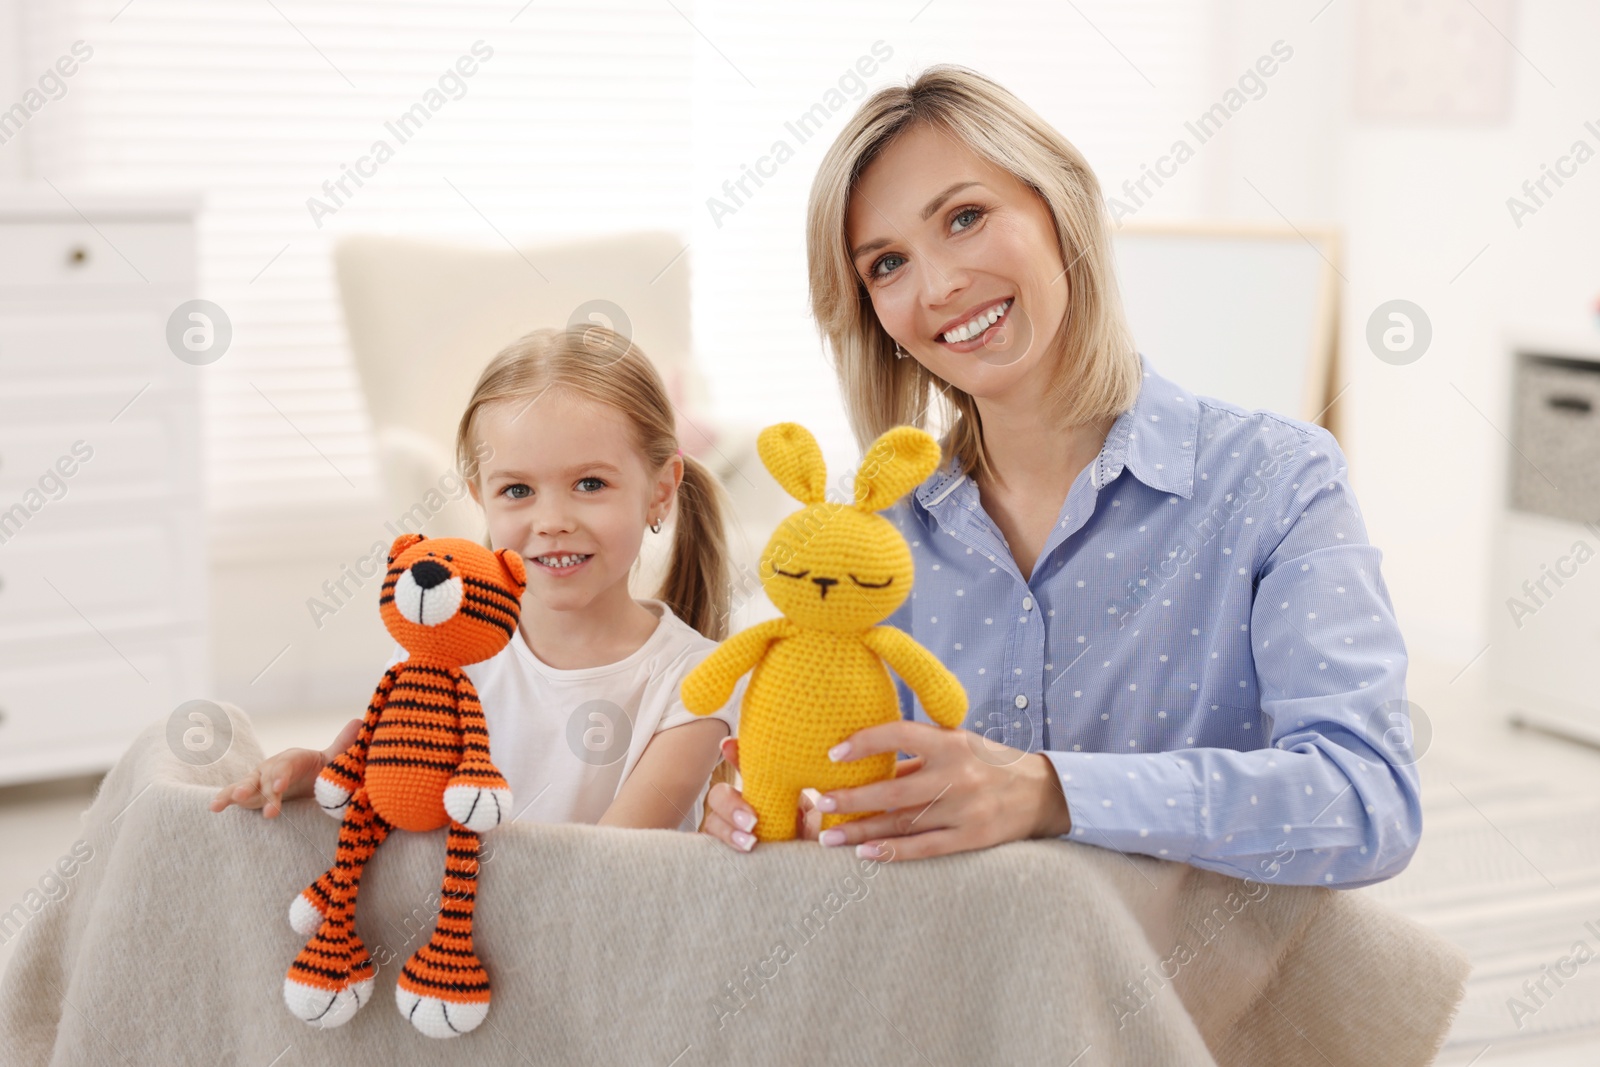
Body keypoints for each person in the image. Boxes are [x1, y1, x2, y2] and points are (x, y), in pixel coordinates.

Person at [702, 66, 1420, 889]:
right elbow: (864, 808)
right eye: (887, 265)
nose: (938, 286)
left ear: (1060, 206)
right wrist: (756, 809)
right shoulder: (877, 539)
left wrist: (1051, 792)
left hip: (1191, 1000)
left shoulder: (1279, 482)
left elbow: (1368, 802)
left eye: (964, 217)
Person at [212, 325, 742, 833]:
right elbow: (397, 788)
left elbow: (601, 875)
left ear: (660, 491)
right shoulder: (443, 644)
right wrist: (322, 776)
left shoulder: (697, 681)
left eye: (589, 482)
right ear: (479, 497)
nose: (552, 520)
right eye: (517, 490)